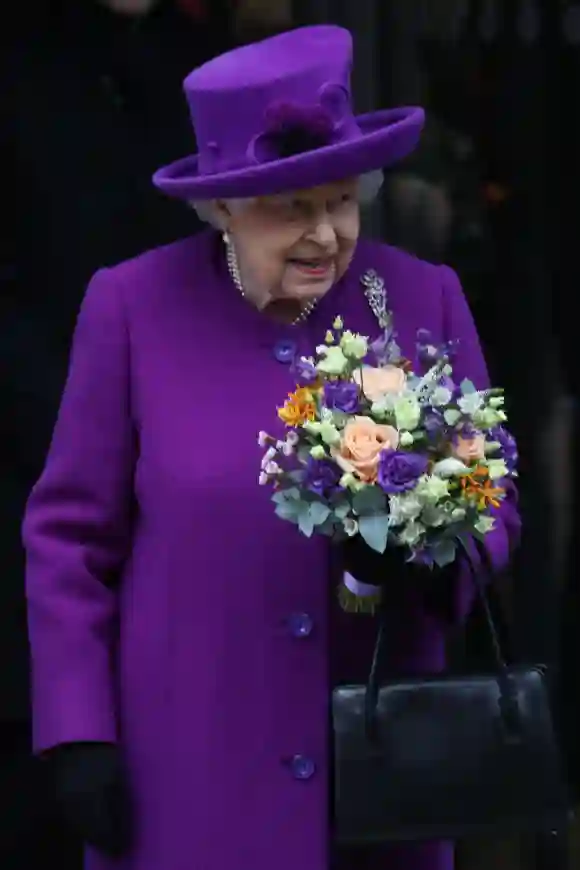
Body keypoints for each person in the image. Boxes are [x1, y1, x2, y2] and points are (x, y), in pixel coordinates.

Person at [22, 25, 520, 870]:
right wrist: (77, 731)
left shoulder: (421, 297)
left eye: (342, 200)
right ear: (221, 206)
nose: (325, 236)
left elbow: (493, 497)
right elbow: (69, 543)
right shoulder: (133, 308)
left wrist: (436, 551)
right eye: (291, 209)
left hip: (376, 777)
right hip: (184, 776)